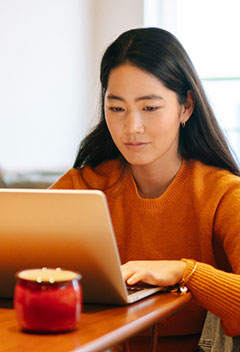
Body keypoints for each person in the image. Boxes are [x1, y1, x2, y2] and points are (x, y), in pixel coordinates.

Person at [50, 27, 240, 351]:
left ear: (186, 107)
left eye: (149, 108)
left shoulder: (222, 193)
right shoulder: (84, 186)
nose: (131, 127)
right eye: (117, 108)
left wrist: (186, 272)